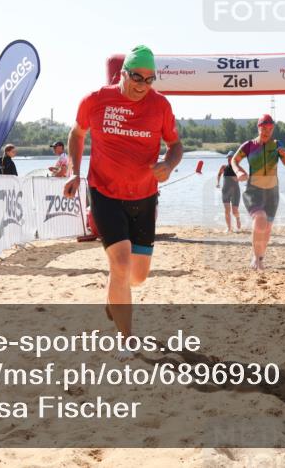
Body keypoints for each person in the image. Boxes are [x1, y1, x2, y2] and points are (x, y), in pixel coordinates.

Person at [63, 45, 182, 358]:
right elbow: (77, 135)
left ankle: (115, 293)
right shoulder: (95, 100)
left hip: (144, 196)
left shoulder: (160, 106)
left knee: (137, 277)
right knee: (120, 262)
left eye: (149, 79)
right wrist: (75, 174)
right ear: (123, 73)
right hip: (104, 193)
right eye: (137, 77)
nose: (142, 85)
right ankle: (127, 340)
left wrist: (168, 166)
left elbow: (175, 145)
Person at [231, 114, 285, 271]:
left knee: (267, 228)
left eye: (270, 129)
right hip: (254, 191)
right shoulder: (249, 145)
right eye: (264, 128)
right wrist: (238, 171)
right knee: (260, 219)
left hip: (272, 193)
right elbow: (234, 160)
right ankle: (256, 259)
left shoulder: (277, 144)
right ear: (258, 128)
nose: (267, 132)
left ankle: (259, 257)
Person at [216, 151, 242, 233]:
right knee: (227, 210)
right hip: (225, 191)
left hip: (235, 191)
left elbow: (244, 176)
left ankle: (238, 218)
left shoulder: (237, 167)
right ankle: (229, 228)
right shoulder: (223, 167)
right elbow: (219, 174)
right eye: (228, 157)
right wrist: (217, 183)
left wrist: (238, 178)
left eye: (231, 157)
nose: (229, 159)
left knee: (234, 211)